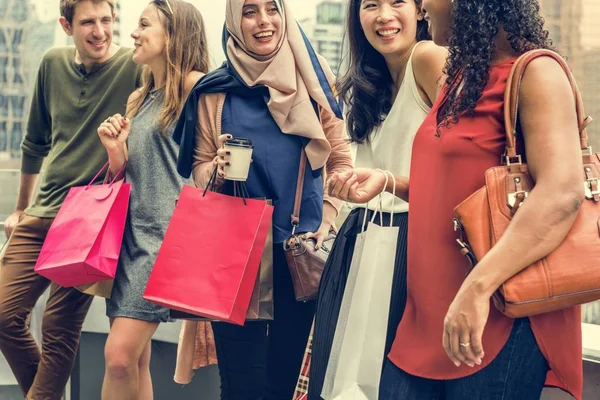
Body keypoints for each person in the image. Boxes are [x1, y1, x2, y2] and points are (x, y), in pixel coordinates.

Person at [328, 0, 584, 399]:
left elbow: (561, 194)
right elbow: (460, 191)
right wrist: (387, 182)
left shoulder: (537, 71)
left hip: (495, 315)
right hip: (428, 316)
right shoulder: (461, 79)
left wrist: (477, 289)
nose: (424, 7)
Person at [172, 0, 353, 398]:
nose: (263, 21)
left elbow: (339, 159)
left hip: (299, 250)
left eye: (272, 8)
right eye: (249, 10)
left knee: (287, 379)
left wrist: (324, 221)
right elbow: (198, 168)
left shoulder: (313, 76)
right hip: (235, 253)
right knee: (241, 383)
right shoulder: (213, 90)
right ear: (235, 20)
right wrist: (217, 169)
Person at [0, 1, 141, 398]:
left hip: (90, 222)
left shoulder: (134, 66)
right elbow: (34, 142)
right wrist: (20, 208)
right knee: (4, 316)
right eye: (88, 22)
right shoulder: (51, 62)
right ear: (66, 25)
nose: (99, 31)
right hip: (41, 211)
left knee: (59, 331)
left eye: (106, 20)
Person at [308, 0, 447, 398]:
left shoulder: (428, 56)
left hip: (409, 242)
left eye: (396, 2)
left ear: (421, 11)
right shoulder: (367, 80)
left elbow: (468, 158)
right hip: (363, 239)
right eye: (371, 5)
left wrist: (388, 181)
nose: (384, 16)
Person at [95, 1, 209, 399]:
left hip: (165, 240)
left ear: (173, 35)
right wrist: (114, 151)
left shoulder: (197, 88)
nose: (133, 33)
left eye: (144, 24)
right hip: (130, 237)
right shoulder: (139, 97)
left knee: (118, 356)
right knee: (135, 360)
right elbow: (129, 175)